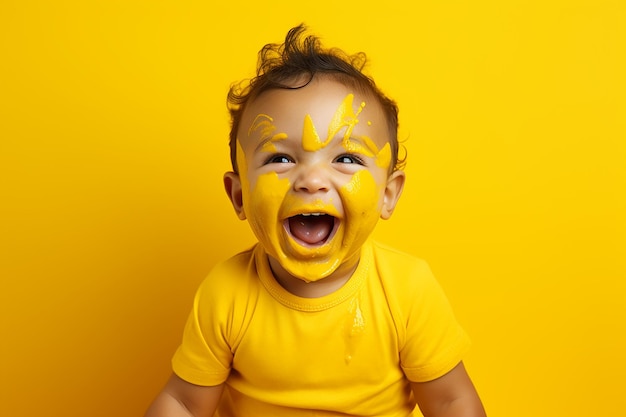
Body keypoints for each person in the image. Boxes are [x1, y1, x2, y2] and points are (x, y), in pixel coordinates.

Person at [145, 24, 486, 417]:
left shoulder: (407, 291)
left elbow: (451, 400)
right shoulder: (226, 294)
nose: (311, 180)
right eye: (280, 158)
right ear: (239, 195)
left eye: (346, 159)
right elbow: (184, 402)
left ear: (387, 194)